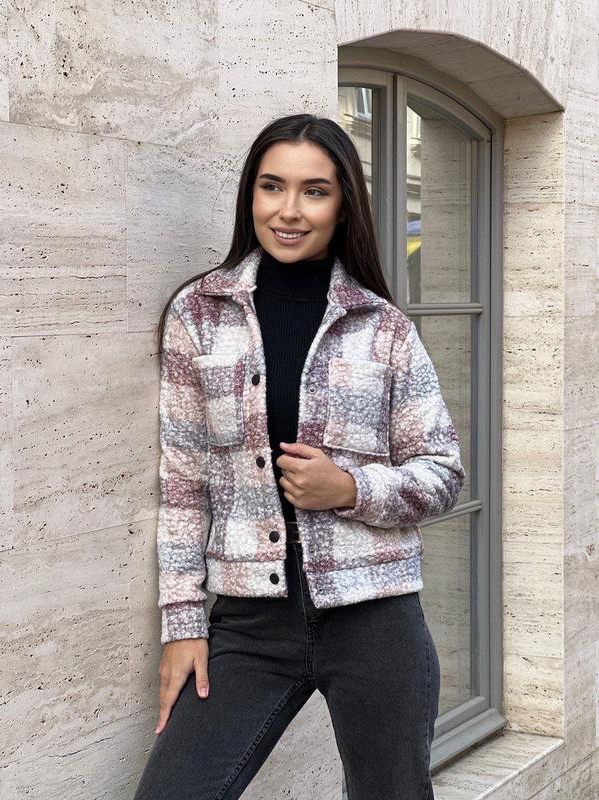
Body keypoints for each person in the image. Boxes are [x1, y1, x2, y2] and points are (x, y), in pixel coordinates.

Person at [133, 113, 466, 800]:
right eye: (271, 187)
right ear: (250, 195)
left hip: (375, 616)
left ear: (343, 205)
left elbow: (442, 473)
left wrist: (349, 488)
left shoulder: (383, 327)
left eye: (314, 191)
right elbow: (184, 486)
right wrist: (183, 624)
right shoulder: (199, 314)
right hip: (249, 621)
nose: (288, 210)